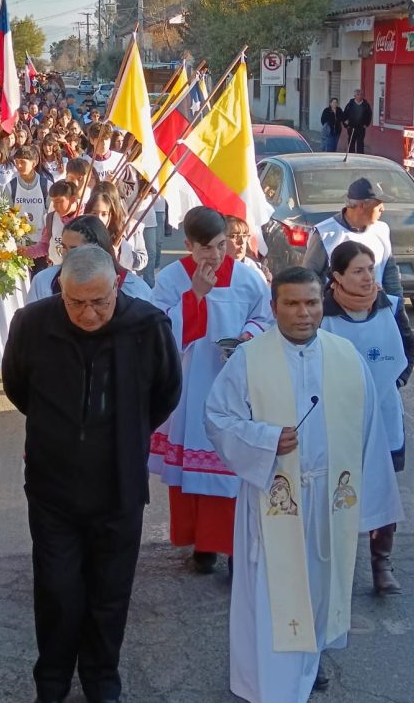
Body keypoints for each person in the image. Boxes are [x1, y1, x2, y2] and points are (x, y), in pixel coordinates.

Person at [204, 266, 403, 703]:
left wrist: (370, 508)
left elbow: (369, 436)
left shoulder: (345, 357)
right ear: (274, 307)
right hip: (275, 500)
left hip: (331, 501)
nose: (303, 313)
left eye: (311, 303)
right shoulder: (249, 359)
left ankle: (306, 669)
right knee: (274, 595)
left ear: (321, 304)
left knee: (317, 589)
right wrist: (266, 439)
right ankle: (273, 688)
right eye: (291, 303)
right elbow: (218, 418)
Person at [2, 245, 181, 703]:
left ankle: (102, 678)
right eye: (76, 302)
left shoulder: (147, 326)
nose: (88, 312)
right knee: (57, 590)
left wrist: (125, 435)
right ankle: (53, 682)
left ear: (116, 287)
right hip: (52, 486)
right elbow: (19, 388)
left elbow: (165, 393)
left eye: (99, 301)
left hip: (119, 486)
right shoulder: (33, 325)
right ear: (60, 291)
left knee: (110, 592)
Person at [149, 206, 272, 574]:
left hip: (235, 383)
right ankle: (202, 544)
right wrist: (196, 297)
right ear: (188, 245)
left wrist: (247, 338)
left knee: (232, 462)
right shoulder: (172, 279)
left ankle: (232, 544)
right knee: (196, 463)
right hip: (191, 383)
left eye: (221, 245)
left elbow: (264, 317)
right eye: (205, 249)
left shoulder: (249, 280)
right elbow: (157, 330)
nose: (216, 255)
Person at [321, 240, 414, 594]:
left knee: (383, 487)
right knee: (337, 487)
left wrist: (396, 381)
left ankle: (382, 564)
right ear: (337, 277)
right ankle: (335, 562)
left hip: (384, 413)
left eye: (370, 270)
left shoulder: (389, 306)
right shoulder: (322, 313)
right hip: (338, 417)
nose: (367, 278)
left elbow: (409, 347)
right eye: (358, 271)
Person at [303, 176, 403, 296]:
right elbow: (309, 277)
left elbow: (390, 274)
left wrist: (398, 309)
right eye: (378, 204)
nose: (383, 209)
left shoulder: (382, 229)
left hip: (377, 308)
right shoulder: (324, 233)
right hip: (337, 311)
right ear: (361, 206)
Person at [27, 214, 152, 303]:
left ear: (99, 249)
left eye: (74, 249)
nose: (66, 255)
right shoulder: (44, 282)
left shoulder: (134, 288)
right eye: (64, 248)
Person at [5, 145, 51, 274]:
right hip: (18, 245)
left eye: (23, 162)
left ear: (34, 163)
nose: (19, 166)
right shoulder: (10, 187)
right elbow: (6, 216)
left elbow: (51, 216)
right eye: (17, 162)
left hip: (40, 247)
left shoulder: (46, 186)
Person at [85, 183, 148, 272]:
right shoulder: (83, 227)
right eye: (95, 212)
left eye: (104, 213)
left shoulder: (129, 226)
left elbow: (142, 259)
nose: (99, 217)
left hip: (124, 279)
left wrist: (122, 254)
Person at [26, 179, 79, 266]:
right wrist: (28, 251)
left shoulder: (86, 217)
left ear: (72, 199)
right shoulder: (50, 218)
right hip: (56, 269)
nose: (54, 206)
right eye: (53, 201)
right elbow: (45, 245)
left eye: (58, 201)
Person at [225, 215, 271, 284]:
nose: (242, 242)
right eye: (234, 236)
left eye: (244, 236)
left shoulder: (261, 270)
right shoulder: (208, 273)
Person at [342, 88, 372, 153]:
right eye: (358, 94)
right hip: (351, 127)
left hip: (361, 127)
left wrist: (366, 124)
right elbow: (344, 115)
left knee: (360, 142)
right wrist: (346, 125)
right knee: (351, 142)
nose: (360, 96)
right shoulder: (350, 104)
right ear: (355, 96)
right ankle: (351, 156)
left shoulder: (366, 105)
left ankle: (360, 156)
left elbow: (369, 115)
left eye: (361, 94)